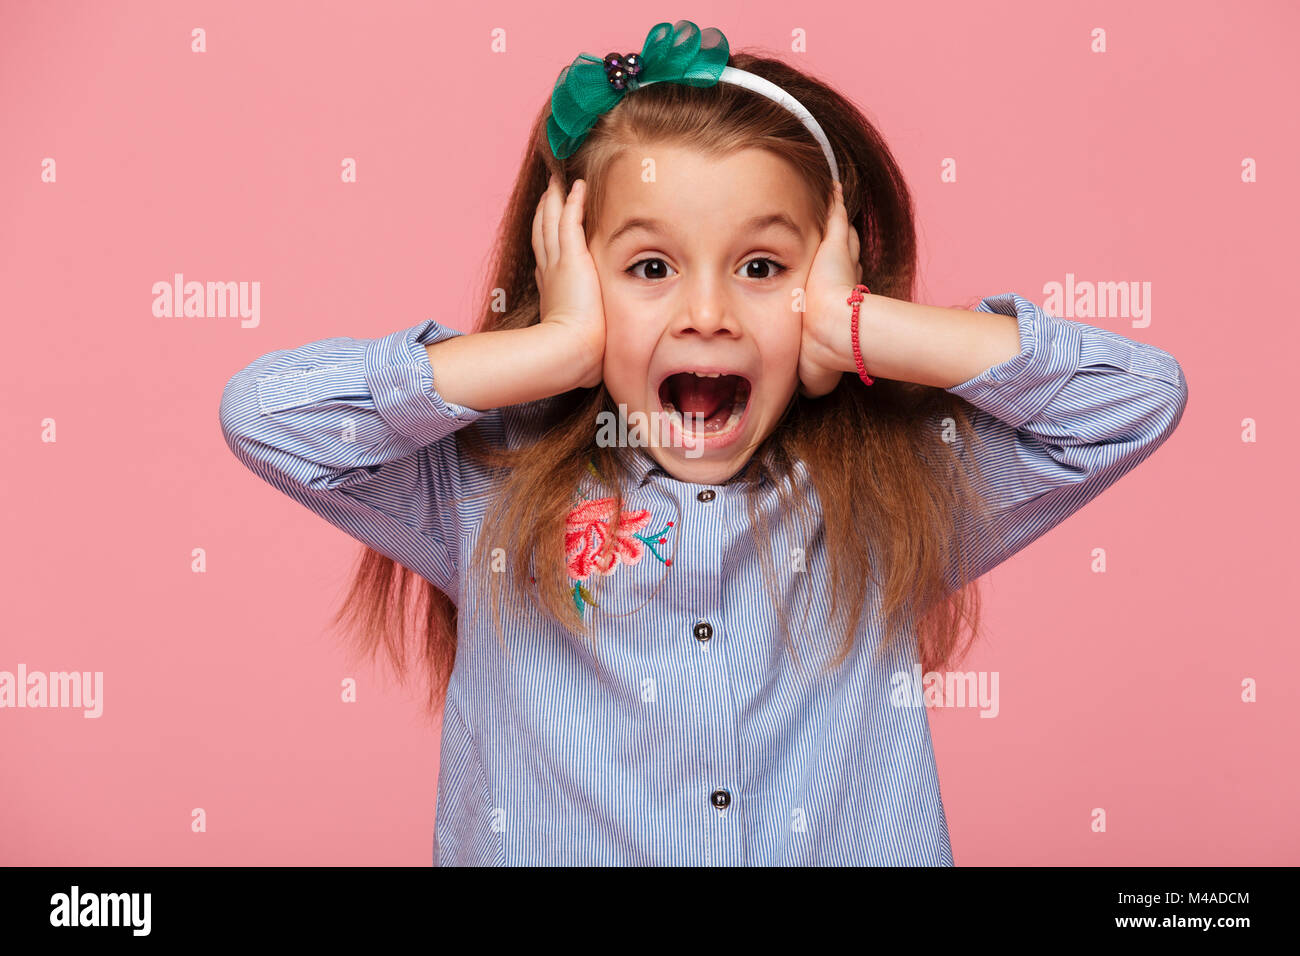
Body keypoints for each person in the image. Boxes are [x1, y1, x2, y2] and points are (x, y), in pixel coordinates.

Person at [218, 20, 1188, 865]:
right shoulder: (483, 489)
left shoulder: (895, 487)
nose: (711, 312)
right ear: (572, 274)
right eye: (649, 266)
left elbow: (1133, 399)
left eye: (763, 265)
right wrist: (549, 350)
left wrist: (862, 328)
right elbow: (267, 417)